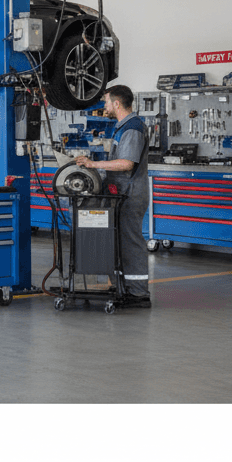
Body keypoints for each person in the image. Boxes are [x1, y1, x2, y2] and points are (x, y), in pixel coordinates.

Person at [74, 85, 151, 308]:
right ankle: (121, 286)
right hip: (120, 194)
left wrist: (93, 164)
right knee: (118, 241)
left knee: (130, 242)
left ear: (117, 103)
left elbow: (126, 163)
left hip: (130, 194)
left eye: (107, 101)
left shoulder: (133, 128)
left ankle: (138, 293)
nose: (105, 106)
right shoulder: (122, 127)